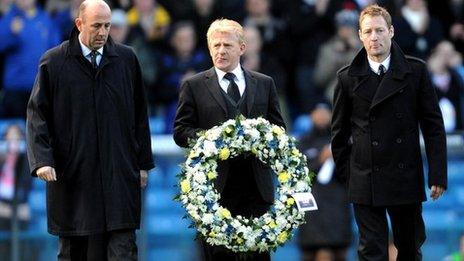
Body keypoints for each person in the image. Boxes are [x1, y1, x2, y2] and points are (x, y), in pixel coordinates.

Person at [26, 0, 154, 260]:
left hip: (119, 175)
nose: (103, 32)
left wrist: (142, 164)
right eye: (97, 26)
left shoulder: (126, 59)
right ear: (79, 24)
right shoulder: (54, 62)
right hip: (73, 177)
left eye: (107, 26)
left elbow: (140, 114)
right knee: (75, 252)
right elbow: (37, 114)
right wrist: (42, 160)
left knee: (123, 251)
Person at [331, 4, 447, 261]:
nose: (374, 37)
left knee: (409, 248)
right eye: (368, 31)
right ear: (360, 35)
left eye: (380, 30)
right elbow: (338, 134)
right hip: (365, 178)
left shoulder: (415, 71)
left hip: (405, 176)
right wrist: (349, 176)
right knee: (371, 251)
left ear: (391, 31)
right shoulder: (347, 78)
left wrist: (437, 173)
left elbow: (433, 127)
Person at [173, 18, 285, 260]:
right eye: (216, 45)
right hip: (213, 193)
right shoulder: (193, 86)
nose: (221, 51)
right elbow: (181, 131)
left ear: (242, 48)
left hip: (257, 190)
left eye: (227, 45)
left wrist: (260, 136)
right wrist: (213, 139)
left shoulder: (265, 83)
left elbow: (279, 130)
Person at [297, 103, 352, 261]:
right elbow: (297, 175)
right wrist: (319, 161)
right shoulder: (302, 143)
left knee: (339, 253)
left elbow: (351, 173)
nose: (321, 116)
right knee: (310, 253)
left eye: (325, 112)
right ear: (311, 115)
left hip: (337, 205)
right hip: (311, 207)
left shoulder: (343, 143)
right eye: (317, 112)